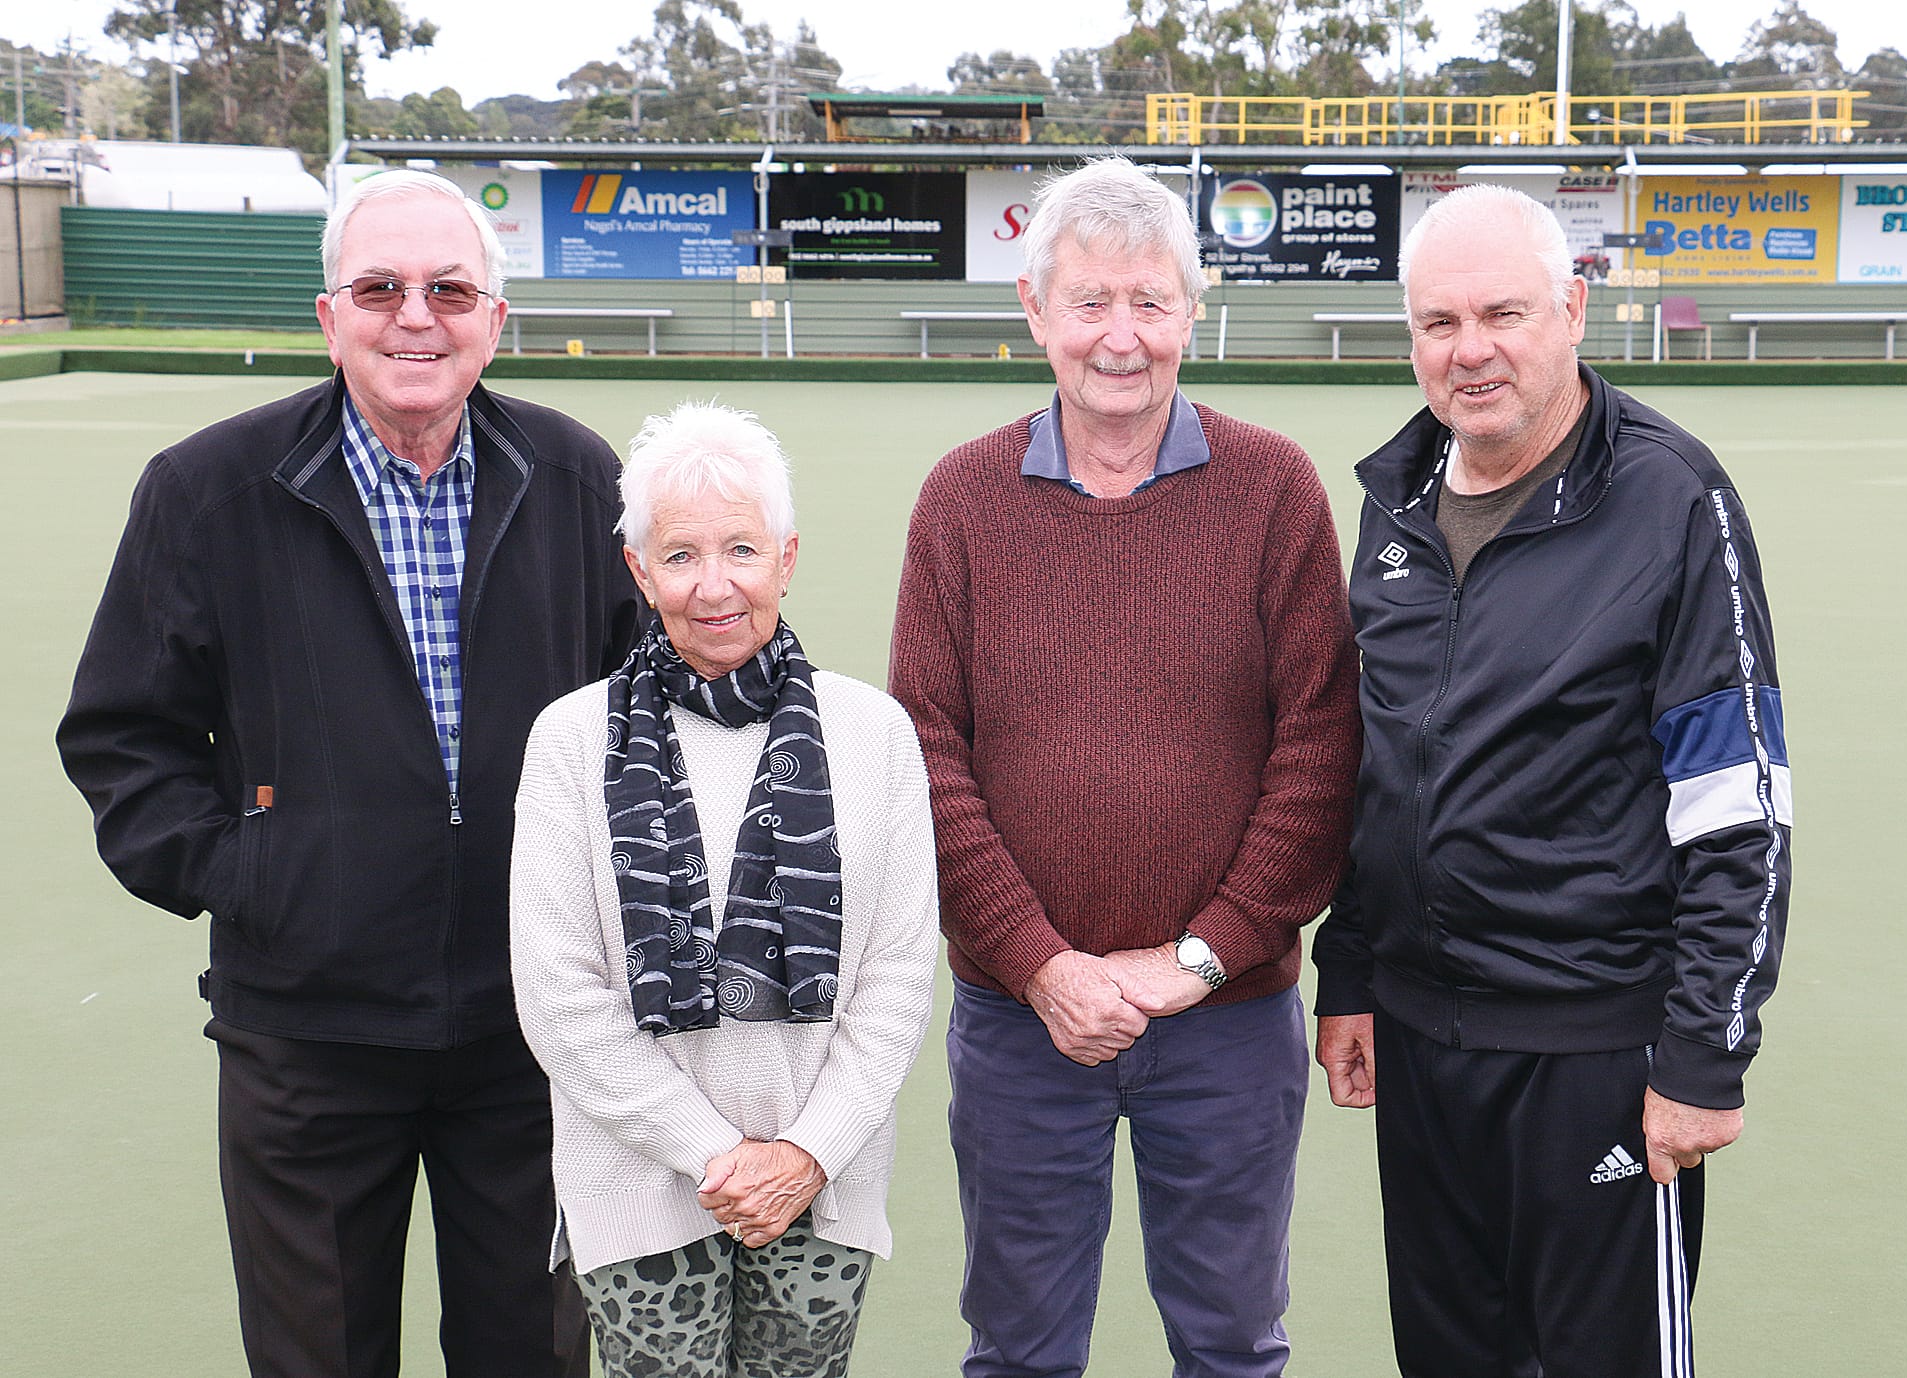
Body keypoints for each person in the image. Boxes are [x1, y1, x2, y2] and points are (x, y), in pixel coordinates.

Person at [56, 168, 641, 1378]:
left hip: (531, 1037)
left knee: (531, 1359)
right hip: (304, 1041)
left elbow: (643, 730)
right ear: (329, 316)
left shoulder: (583, 479)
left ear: (495, 316)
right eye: (378, 288)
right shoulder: (204, 490)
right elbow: (123, 736)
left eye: (448, 288)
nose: (413, 316)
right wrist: (258, 876)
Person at [888, 156, 1362, 1378]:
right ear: (1033, 312)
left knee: (1229, 1347)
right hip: (1017, 1022)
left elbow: (1317, 749)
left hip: (1226, 1022)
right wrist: (1043, 966)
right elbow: (926, 758)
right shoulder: (960, 502)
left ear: (1190, 313)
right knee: (1020, 1349)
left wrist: (1194, 958)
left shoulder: (1274, 491)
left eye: (1150, 302)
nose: (1120, 336)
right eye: (1089, 302)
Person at [1312, 183, 1791, 1378]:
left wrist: (1701, 1056)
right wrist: (1353, 970)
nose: (1467, 350)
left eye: (1500, 313)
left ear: (1572, 310)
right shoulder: (1392, 507)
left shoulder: (1671, 498)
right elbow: (1383, 766)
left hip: (1599, 1054)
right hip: (1424, 1046)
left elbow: (1738, 804)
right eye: (1436, 323)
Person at [510, 401, 939, 1378]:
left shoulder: (874, 736)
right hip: (635, 1190)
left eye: (740, 549)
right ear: (639, 570)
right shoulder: (571, 742)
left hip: (821, 1185)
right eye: (681, 555)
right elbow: (558, 995)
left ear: (785, 558)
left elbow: (897, 977)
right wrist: (715, 1154)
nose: (714, 586)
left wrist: (803, 1156)